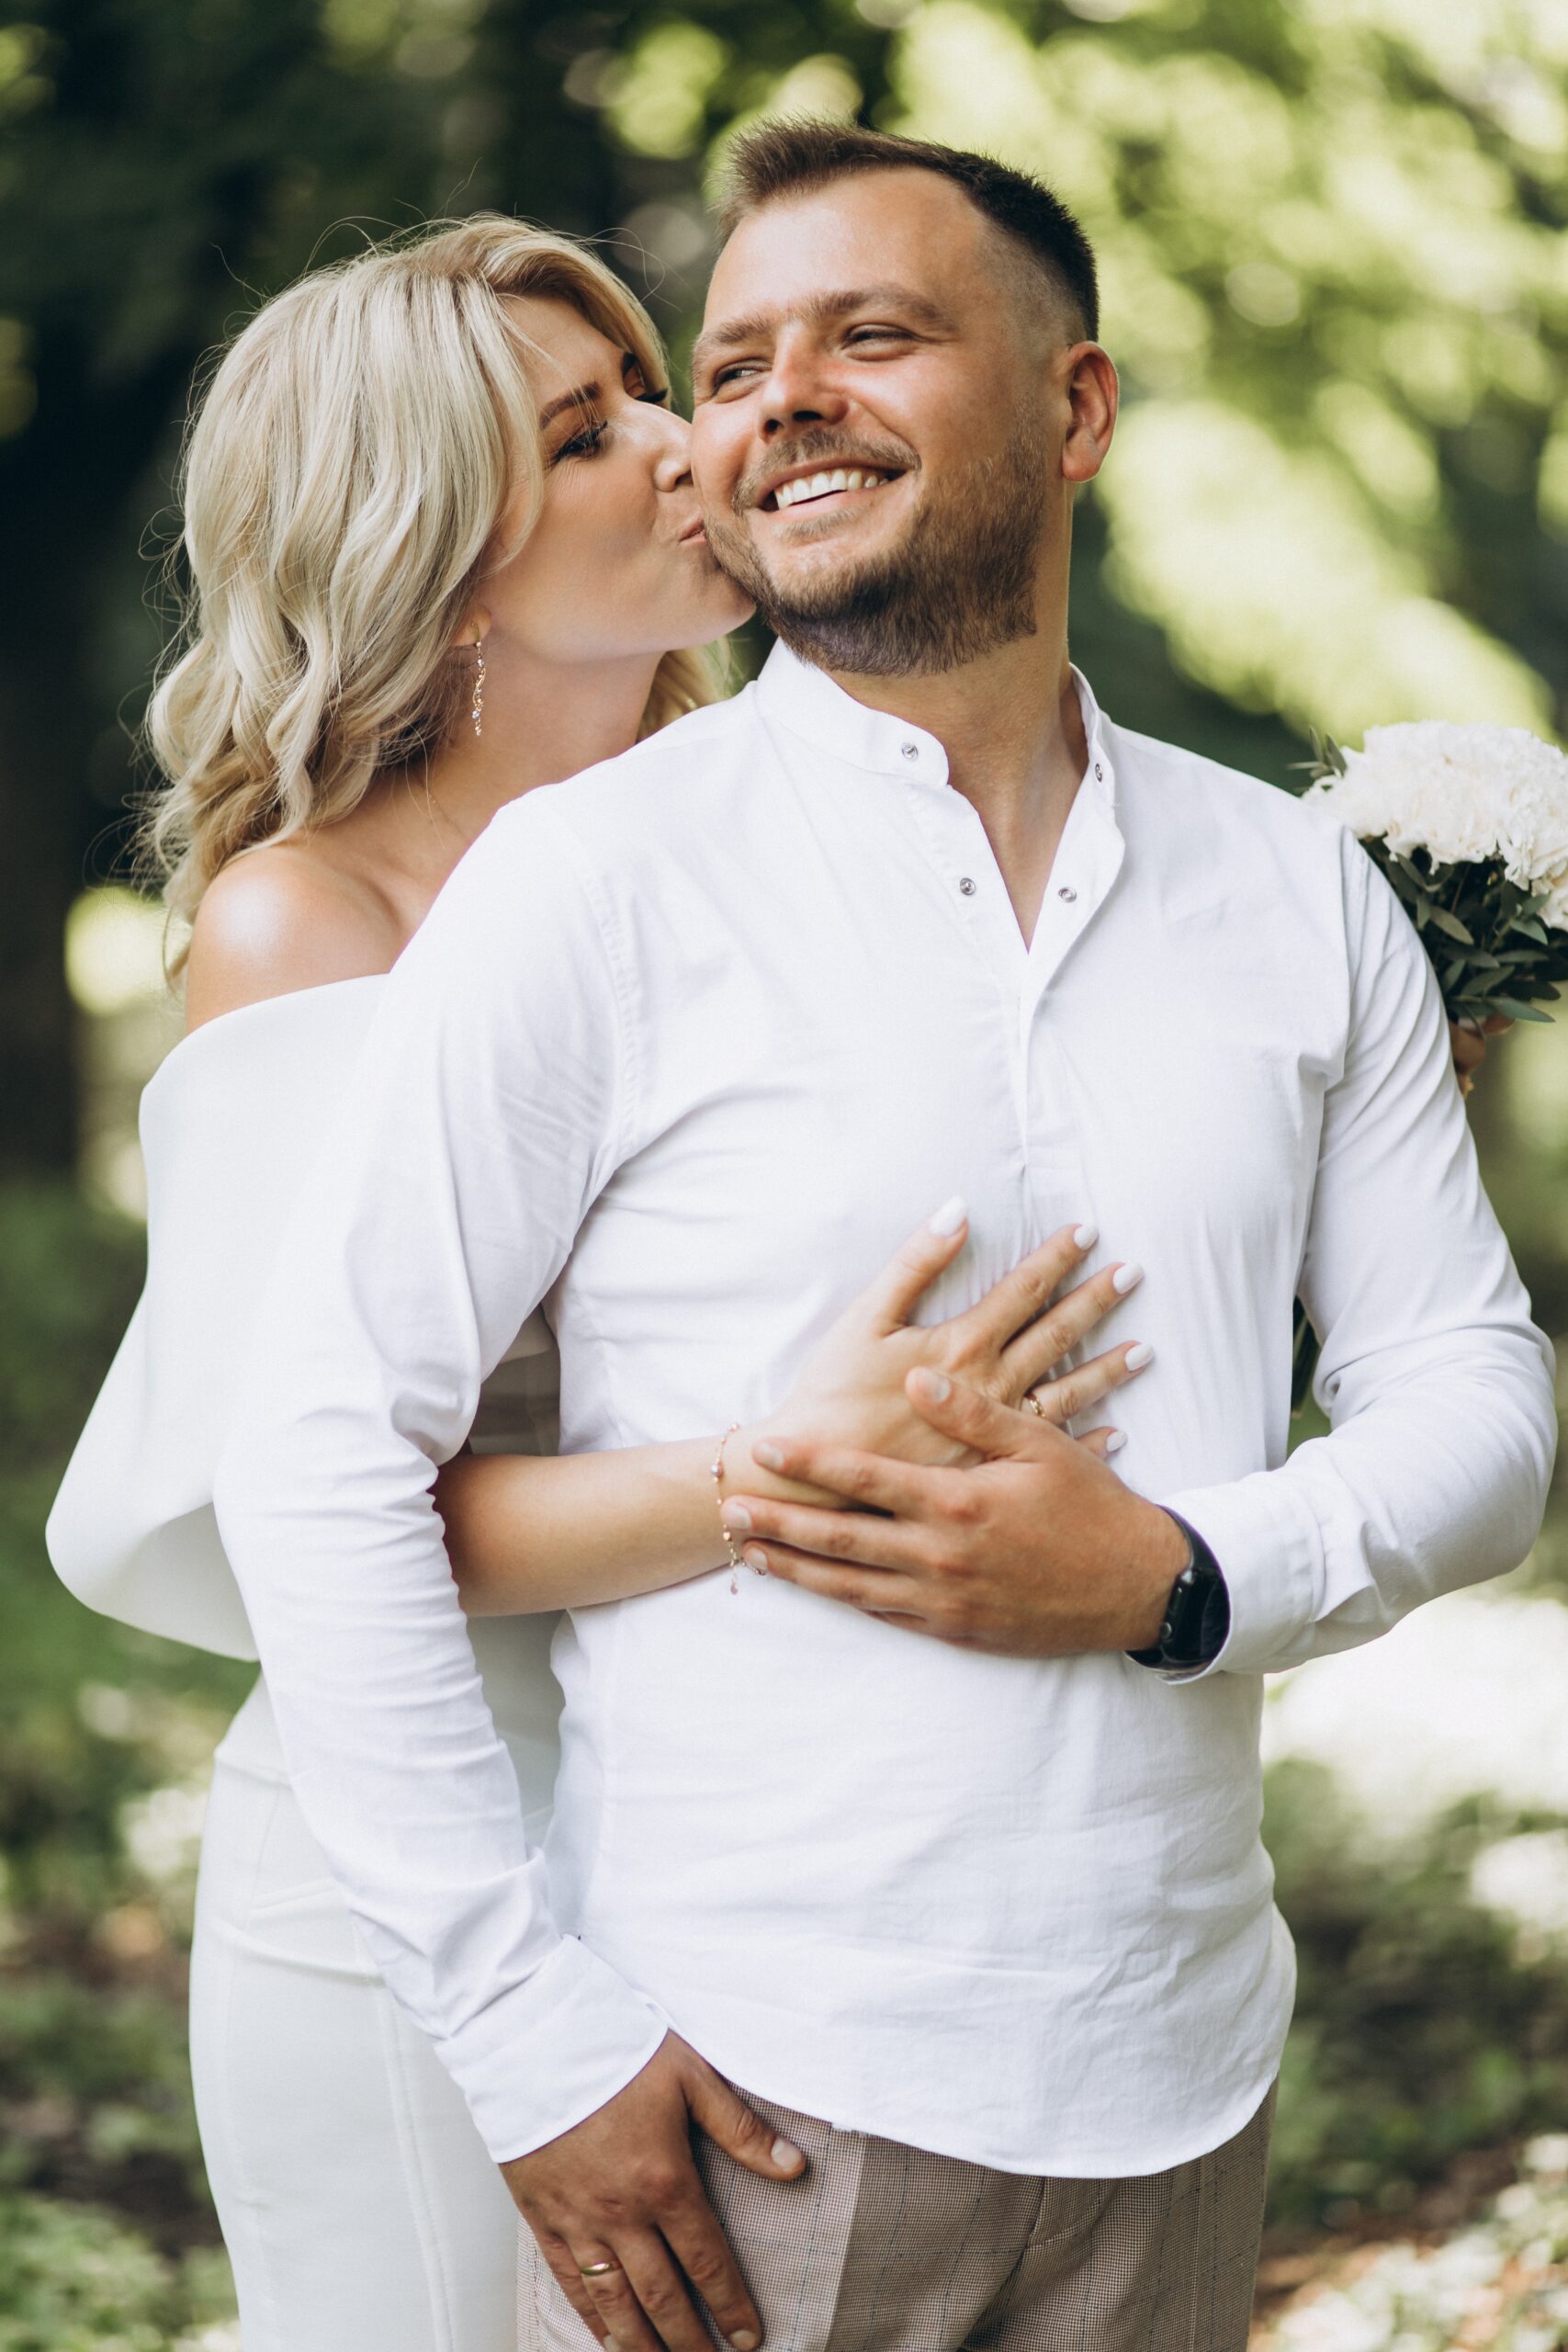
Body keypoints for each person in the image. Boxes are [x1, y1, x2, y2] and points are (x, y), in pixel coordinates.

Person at [211, 124, 1555, 2352]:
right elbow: (318, 1455)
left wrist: (1180, 1575)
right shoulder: (593, 885)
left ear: (1074, 407)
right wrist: (529, 2037)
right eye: (731, 361)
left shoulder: (1291, 890)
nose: (771, 398)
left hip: (1179, 2082)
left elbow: (1477, 1395)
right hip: (742, 2099)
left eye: (873, 334)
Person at [46, 215, 1149, 2352]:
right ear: (437, 550)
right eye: (583, 431)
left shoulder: (774, 859)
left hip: (762, 1851)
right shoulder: (307, 922)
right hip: (434, 1861)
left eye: (656, 385)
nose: (684, 441)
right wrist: (778, 1468)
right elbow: (330, 1517)